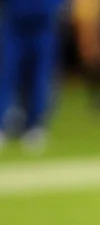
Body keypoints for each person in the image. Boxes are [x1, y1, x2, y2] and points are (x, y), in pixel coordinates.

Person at [0, 0, 65, 150]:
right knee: (7, 74)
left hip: (43, 24)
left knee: (40, 77)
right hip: (15, 23)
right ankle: (3, 123)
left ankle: (35, 125)